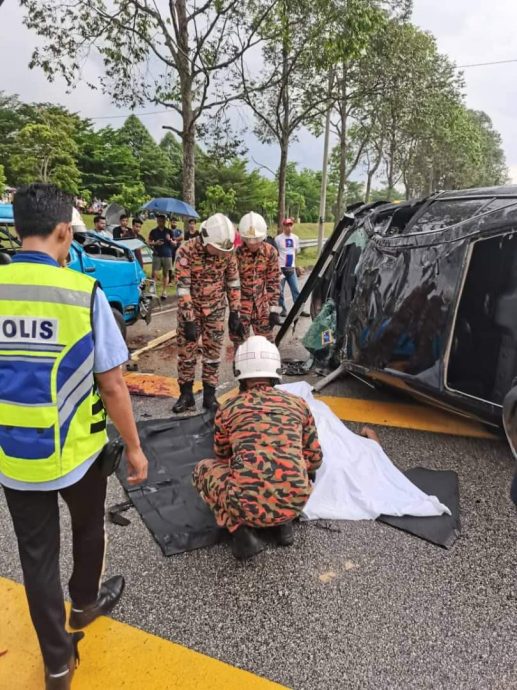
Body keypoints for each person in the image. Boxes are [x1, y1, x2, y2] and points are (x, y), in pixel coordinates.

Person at [0, 184, 148, 690]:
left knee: (35, 557)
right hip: (79, 454)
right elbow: (112, 384)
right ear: (64, 231)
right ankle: (85, 603)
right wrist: (133, 447)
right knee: (88, 529)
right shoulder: (83, 293)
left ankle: (57, 664)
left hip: (14, 456)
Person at [193, 336, 323, 561]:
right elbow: (315, 459)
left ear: (240, 374)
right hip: (295, 502)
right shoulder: (298, 404)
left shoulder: (228, 408)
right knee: (300, 468)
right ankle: (284, 523)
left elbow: (222, 455)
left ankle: (240, 531)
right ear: (275, 371)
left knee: (203, 470)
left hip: (246, 509)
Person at [173, 213, 244, 414]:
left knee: (213, 354)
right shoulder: (186, 251)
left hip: (215, 310)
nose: (222, 253)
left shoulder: (227, 251)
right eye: (219, 249)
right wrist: (188, 320)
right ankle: (186, 395)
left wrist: (235, 311)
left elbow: (233, 281)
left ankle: (209, 396)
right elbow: (183, 288)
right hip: (190, 310)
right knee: (187, 354)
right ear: (206, 240)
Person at [231, 212, 281, 352]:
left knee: (268, 347)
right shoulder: (237, 254)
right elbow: (232, 284)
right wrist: (234, 313)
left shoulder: (270, 252)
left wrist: (274, 310)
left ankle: (269, 373)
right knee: (240, 346)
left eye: (256, 241)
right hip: (242, 307)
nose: (252, 245)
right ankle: (240, 372)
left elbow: (274, 282)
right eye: (249, 241)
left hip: (262, 307)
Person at [275, 218, 309, 317]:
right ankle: (283, 310)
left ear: (292, 226)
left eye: (290, 225)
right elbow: (275, 254)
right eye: (286, 225)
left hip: (291, 269)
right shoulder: (278, 239)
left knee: (296, 290)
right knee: (280, 292)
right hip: (281, 268)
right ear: (283, 226)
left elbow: (294, 252)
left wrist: (296, 265)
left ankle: (299, 310)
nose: (289, 227)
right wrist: (277, 269)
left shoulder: (295, 238)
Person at [148, 213, 174, 300]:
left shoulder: (169, 231)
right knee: (154, 273)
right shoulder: (153, 231)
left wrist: (169, 239)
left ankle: (164, 291)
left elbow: (174, 244)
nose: (160, 222)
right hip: (157, 254)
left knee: (165, 273)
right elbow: (148, 242)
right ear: (157, 221)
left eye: (162, 221)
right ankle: (153, 290)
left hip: (167, 254)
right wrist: (155, 243)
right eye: (159, 221)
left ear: (165, 221)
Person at [168, 216, 183, 283]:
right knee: (170, 264)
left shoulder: (179, 230)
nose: (174, 223)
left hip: (178, 250)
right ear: (170, 223)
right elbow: (167, 239)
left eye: (175, 222)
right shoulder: (168, 231)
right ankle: (170, 280)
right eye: (173, 222)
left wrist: (174, 239)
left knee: (178, 264)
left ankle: (178, 279)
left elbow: (181, 237)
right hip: (170, 250)